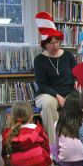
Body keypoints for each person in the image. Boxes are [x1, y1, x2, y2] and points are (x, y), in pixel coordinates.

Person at [34, 11, 76, 146]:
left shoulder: (68, 55)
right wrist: (57, 95)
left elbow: (75, 74)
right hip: (47, 93)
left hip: (69, 91)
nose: (56, 46)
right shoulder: (39, 60)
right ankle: (54, 146)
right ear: (44, 44)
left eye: (57, 42)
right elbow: (41, 84)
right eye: (52, 43)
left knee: (82, 101)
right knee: (48, 105)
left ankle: (77, 144)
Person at [1, 102, 52, 166]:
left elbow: (4, 154)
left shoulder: (7, 134)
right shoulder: (37, 129)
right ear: (31, 117)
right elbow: (47, 148)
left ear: (11, 117)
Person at [53, 91, 83, 166]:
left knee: (51, 147)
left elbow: (56, 146)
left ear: (65, 106)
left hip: (64, 163)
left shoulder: (58, 123)